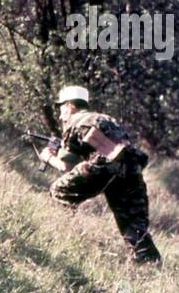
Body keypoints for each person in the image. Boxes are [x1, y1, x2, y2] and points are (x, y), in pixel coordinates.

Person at [38, 84, 162, 265]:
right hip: (131, 169)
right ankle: (150, 264)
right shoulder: (106, 119)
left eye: (61, 108)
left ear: (71, 106)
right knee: (133, 224)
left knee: (59, 192)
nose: (59, 115)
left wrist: (48, 157)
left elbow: (65, 166)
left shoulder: (76, 121)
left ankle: (57, 238)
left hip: (104, 165)